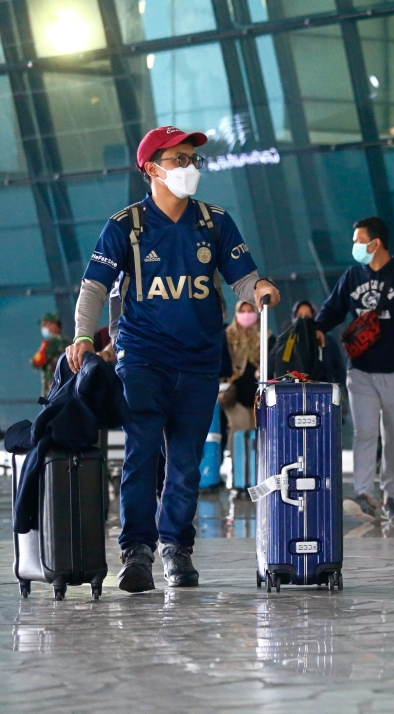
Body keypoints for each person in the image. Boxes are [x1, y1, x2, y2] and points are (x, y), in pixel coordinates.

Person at [66, 126, 280, 593]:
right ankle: (137, 551)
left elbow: (243, 277)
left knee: (185, 464)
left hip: (200, 363)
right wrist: (83, 335)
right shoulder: (126, 225)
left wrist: (259, 288)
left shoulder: (215, 222)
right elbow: (94, 288)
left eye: (193, 159)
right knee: (143, 456)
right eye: (179, 158)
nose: (189, 167)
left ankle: (175, 548)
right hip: (143, 358)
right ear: (151, 168)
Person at [314, 216, 394, 522]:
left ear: (375, 243)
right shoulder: (352, 276)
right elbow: (333, 309)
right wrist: (315, 329)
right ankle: (364, 493)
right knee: (365, 432)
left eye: (358, 240)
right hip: (360, 370)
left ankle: (391, 496)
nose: (354, 246)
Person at [222, 301, 262, 453]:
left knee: (255, 430)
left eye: (249, 311)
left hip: (256, 395)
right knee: (240, 427)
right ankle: (237, 467)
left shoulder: (264, 336)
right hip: (234, 394)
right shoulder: (228, 336)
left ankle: (251, 469)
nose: (246, 314)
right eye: (242, 311)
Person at [30, 313, 70, 394]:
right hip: (64, 386)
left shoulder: (54, 341)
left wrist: (34, 360)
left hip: (53, 387)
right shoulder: (67, 341)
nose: (43, 328)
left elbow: (37, 361)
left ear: (54, 325)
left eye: (45, 325)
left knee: (48, 404)